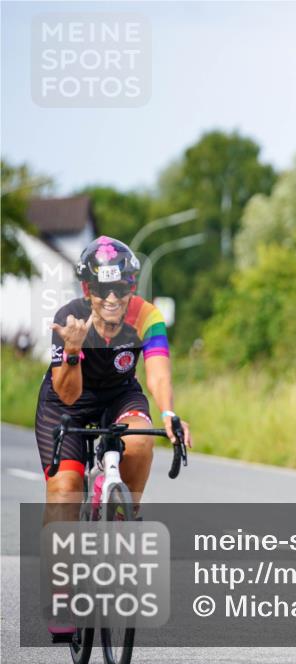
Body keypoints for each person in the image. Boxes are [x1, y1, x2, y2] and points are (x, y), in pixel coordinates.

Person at [34, 236, 192, 641]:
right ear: (87, 290)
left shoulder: (148, 316)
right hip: (68, 401)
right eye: (101, 289)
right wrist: (71, 350)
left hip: (120, 393)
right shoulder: (70, 318)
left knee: (140, 438)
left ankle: (125, 512)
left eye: (119, 288)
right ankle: (61, 592)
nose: (110, 298)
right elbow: (67, 393)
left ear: (131, 288)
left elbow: (157, 370)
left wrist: (170, 412)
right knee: (65, 488)